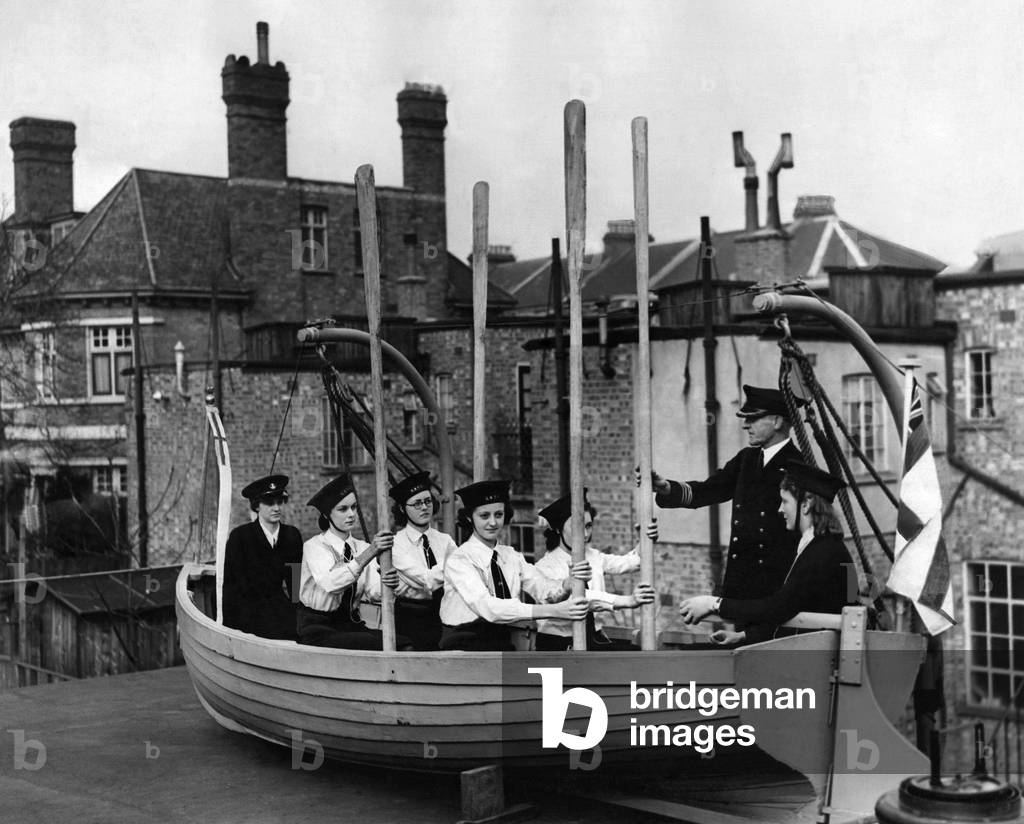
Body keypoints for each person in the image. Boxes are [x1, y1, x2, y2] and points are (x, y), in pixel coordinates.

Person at [648, 384, 804, 601]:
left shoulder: (799, 466)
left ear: (777, 422)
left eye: (754, 419)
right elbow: (707, 491)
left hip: (777, 590)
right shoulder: (746, 460)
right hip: (741, 587)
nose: (746, 425)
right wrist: (667, 488)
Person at [677, 461, 856, 645]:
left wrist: (714, 604)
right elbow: (795, 607)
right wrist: (744, 636)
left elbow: (779, 607)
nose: (780, 509)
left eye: (785, 501)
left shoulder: (822, 552)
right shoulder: (830, 547)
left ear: (806, 504)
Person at [439, 479, 591, 651]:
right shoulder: (459, 560)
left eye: (498, 514)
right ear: (469, 517)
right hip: (461, 645)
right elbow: (488, 608)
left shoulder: (511, 556)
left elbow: (542, 589)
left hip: (501, 639)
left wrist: (565, 586)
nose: (493, 523)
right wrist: (554, 610)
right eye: (484, 516)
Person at [296, 474, 411, 650]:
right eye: (343, 509)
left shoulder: (362, 546)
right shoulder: (314, 546)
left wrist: (391, 584)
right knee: (378, 645)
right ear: (327, 515)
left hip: (350, 624)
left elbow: (374, 592)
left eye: (354, 507)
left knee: (403, 643)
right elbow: (331, 583)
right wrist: (372, 551)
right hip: (316, 628)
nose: (351, 514)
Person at [534, 491, 657, 650]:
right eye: (577, 527)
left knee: (635, 656)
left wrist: (646, 538)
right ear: (558, 529)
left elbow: (631, 562)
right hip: (559, 643)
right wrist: (627, 600)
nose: (585, 534)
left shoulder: (593, 556)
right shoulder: (545, 566)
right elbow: (584, 599)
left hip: (593, 638)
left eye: (588, 526)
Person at [222, 474, 303, 639]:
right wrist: (230, 630)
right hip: (248, 614)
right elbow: (231, 587)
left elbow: (295, 584)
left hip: (281, 610)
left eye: (279, 502)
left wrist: (299, 616)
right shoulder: (240, 537)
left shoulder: (291, 536)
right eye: (269, 503)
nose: (276, 508)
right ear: (257, 506)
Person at [387, 471, 456, 650]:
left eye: (427, 501)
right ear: (403, 508)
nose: (424, 507)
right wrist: (455, 565)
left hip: (444, 614)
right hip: (410, 619)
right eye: (417, 504)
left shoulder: (445, 541)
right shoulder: (395, 545)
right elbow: (427, 580)